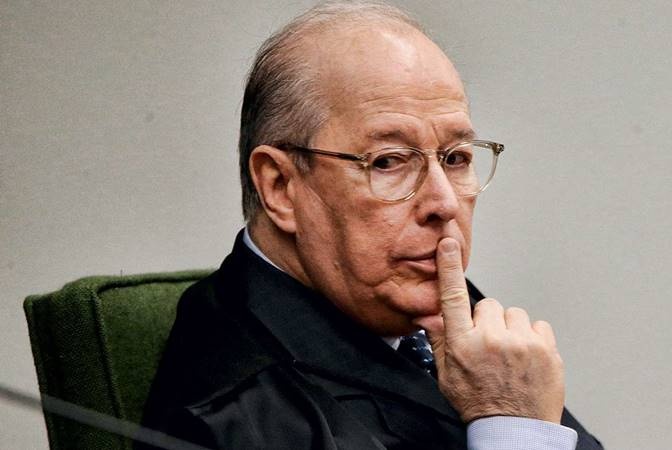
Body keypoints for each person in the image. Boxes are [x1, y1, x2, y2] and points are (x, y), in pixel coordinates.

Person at [140, 2, 603, 449]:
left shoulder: (422, 301)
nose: (443, 203)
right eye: (388, 161)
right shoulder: (235, 415)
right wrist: (514, 430)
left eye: (455, 158)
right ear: (280, 187)